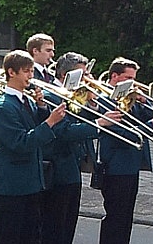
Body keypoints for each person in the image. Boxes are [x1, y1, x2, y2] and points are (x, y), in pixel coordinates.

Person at [40, 52, 116, 244]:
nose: (88, 79)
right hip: (57, 168)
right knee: (55, 226)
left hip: (72, 166)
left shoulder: (74, 95)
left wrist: (93, 104)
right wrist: (100, 123)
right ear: (66, 76)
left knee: (68, 224)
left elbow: (82, 121)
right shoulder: (52, 95)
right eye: (83, 76)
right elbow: (63, 131)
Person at [0, 50, 64, 243]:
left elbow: (35, 129)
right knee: (12, 237)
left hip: (30, 182)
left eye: (32, 71)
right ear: (11, 72)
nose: (31, 76)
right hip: (12, 184)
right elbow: (20, 143)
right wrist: (50, 122)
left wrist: (41, 108)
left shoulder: (26, 100)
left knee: (31, 236)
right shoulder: (4, 107)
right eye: (26, 71)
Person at [97, 57, 153, 244]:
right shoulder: (106, 99)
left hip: (131, 166)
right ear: (115, 76)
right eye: (128, 78)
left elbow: (149, 115)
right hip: (116, 166)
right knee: (116, 217)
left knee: (126, 217)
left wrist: (143, 102)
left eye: (134, 78)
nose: (133, 84)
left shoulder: (129, 98)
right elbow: (124, 134)